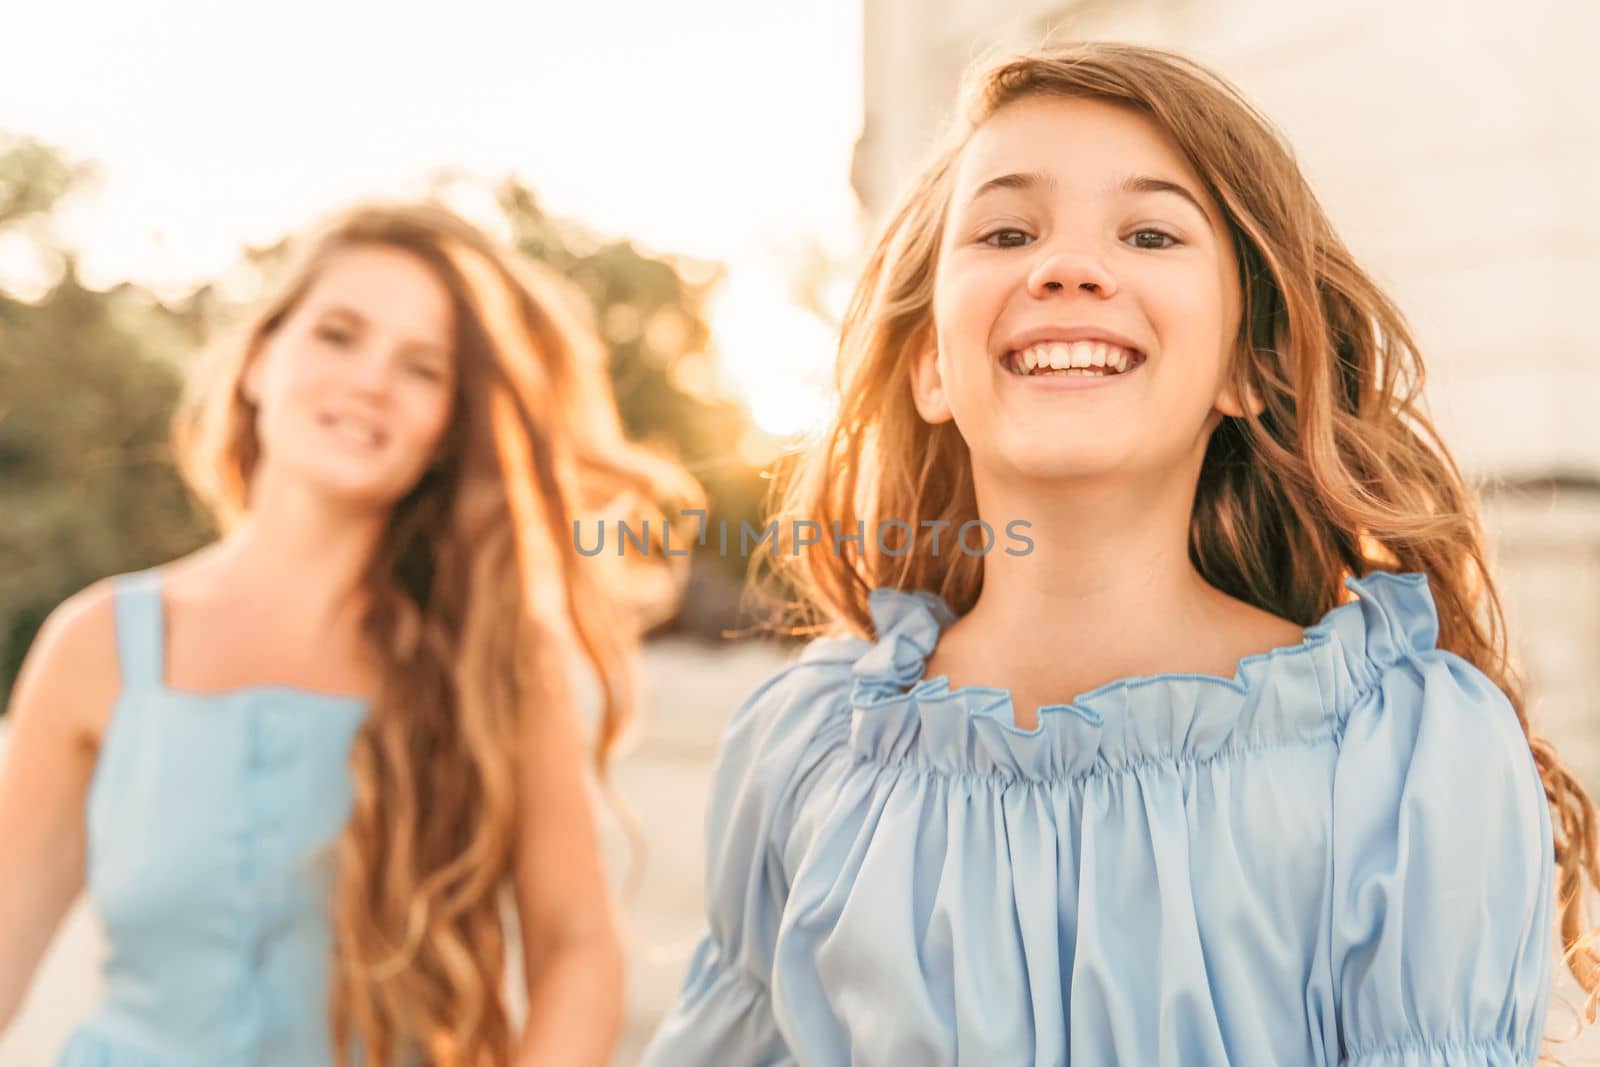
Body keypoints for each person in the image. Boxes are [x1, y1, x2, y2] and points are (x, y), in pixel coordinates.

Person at [641, 42, 1600, 1065]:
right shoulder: (807, 753)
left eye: (1149, 232)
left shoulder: (1402, 759)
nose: (1065, 266)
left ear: (1246, 364)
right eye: (1007, 230)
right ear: (929, 364)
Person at [0, 201, 696, 1066]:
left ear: (447, 430)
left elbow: (577, 950)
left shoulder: (493, 663)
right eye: (338, 335)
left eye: (422, 368)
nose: (371, 380)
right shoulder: (97, 643)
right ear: (258, 360)